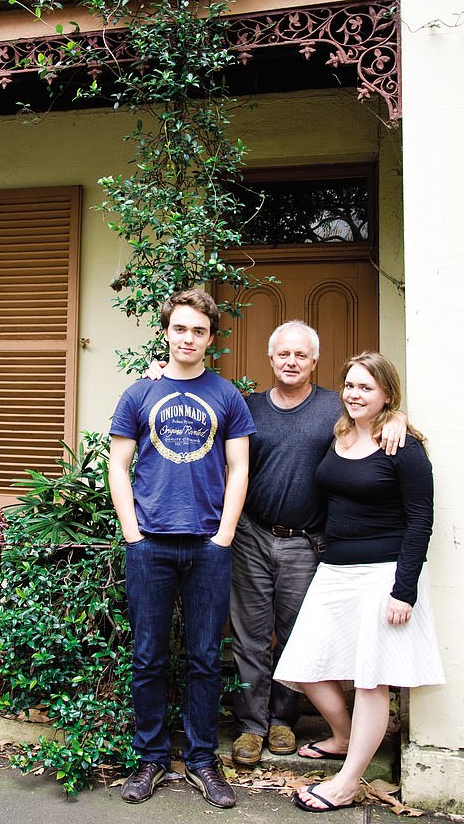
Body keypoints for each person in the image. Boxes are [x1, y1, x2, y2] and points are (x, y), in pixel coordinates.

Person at [148, 321, 406, 767]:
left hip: (308, 541)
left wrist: (397, 416)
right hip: (251, 534)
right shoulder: (246, 407)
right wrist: (158, 374)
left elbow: (374, 418)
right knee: (248, 637)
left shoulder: (336, 409)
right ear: (270, 360)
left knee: (294, 635)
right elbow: (204, 423)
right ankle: (251, 726)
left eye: (300, 356)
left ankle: (283, 720)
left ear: (314, 362)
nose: (291, 362)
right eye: (283, 355)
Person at [273, 351, 444, 813]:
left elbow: (420, 520)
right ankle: (344, 736)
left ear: (387, 393)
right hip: (336, 570)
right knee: (303, 663)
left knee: (372, 680)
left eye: (366, 387)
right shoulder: (341, 431)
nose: (353, 394)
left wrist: (403, 590)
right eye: (349, 385)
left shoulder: (403, 445)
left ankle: (349, 781)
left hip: (383, 572)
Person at [109, 289, 256, 809]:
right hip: (149, 545)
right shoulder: (139, 395)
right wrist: (132, 532)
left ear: (211, 339)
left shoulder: (227, 396)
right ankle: (149, 758)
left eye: (199, 330)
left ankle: (200, 761)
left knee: (205, 659)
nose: (188, 338)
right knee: (148, 657)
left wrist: (224, 536)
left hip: (208, 545)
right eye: (180, 329)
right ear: (166, 332)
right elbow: (117, 466)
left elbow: (240, 468)